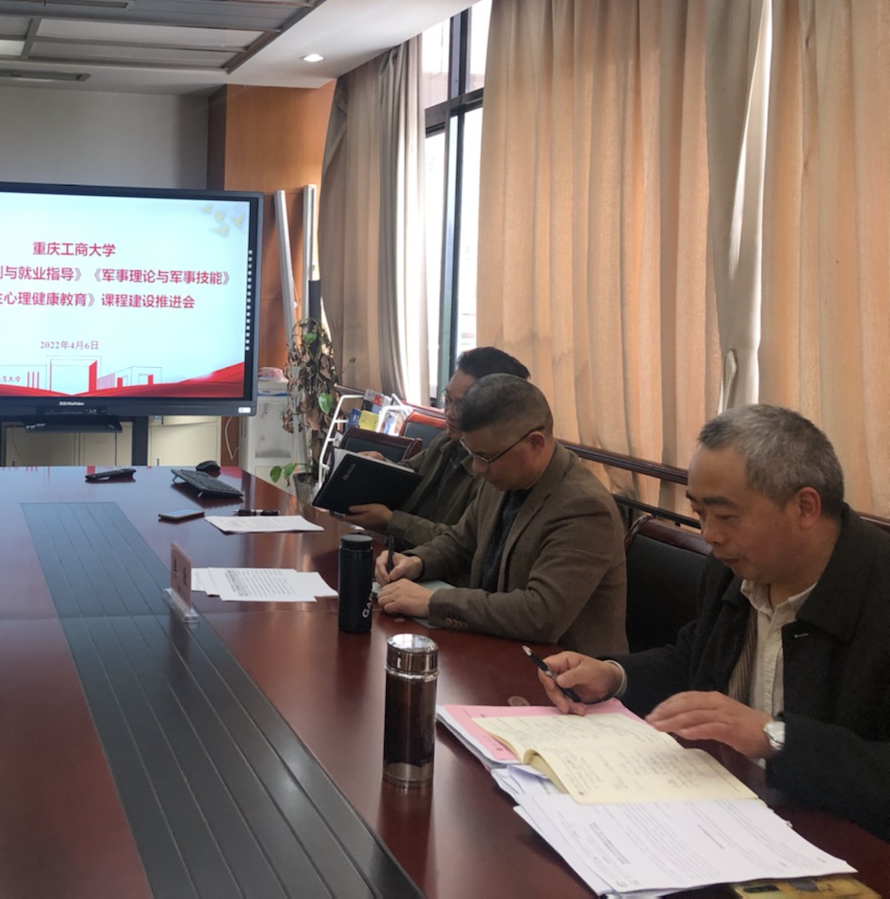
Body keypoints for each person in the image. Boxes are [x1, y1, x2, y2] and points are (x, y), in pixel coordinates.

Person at [536, 405, 890, 839]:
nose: (709, 535)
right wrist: (613, 675)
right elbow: (695, 660)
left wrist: (774, 738)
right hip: (718, 814)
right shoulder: (733, 568)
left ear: (805, 507)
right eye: (700, 514)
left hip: (834, 842)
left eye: (725, 516)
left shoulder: (876, 592)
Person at [376, 374, 626, 653]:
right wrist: (416, 562)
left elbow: (540, 614)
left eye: (484, 457)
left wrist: (433, 601)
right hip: (493, 644)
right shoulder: (502, 475)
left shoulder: (584, 507)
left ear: (535, 443)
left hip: (560, 666)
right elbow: (460, 542)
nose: (477, 468)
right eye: (471, 453)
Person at [346, 347, 530, 564]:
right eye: (447, 400)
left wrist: (391, 520)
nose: (449, 413)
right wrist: (379, 465)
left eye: (462, 406)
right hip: (405, 557)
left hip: (439, 570)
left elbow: (463, 542)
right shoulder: (448, 440)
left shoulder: (497, 469)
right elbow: (412, 471)